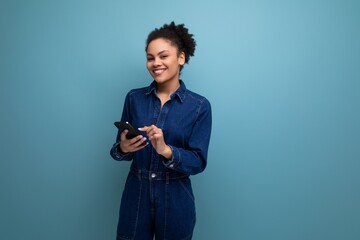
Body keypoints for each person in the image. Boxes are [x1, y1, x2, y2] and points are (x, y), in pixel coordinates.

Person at [110, 21, 212, 240]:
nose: (156, 63)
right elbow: (116, 151)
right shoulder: (134, 98)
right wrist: (124, 148)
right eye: (150, 57)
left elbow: (198, 162)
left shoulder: (200, 106)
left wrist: (166, 150)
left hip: (175, 195)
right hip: (136, 192)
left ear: (181, 58)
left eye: (163, 56)